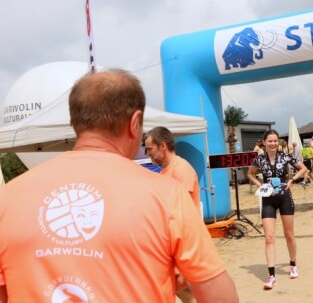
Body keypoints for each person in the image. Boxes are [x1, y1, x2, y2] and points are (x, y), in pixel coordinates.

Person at [0, 70, 238, 302]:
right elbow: (218, 295)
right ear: (135, 123)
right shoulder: (166, 196)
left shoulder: (8, 197)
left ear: (75, 121)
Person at [143, 126, 201, 303]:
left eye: (149, 149)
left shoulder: (181, 169)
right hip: (171, 243)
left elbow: (180, 210)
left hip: (184, 243)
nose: (147, 154)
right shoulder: (164, 172)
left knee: (186, 290)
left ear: (162, 146)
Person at [247, 129, 307, 290]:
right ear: (264, 142)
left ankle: (293, 264)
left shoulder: (285, 156)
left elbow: (303, 168)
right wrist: (260, 185)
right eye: (270, 141)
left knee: (289, 235)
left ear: (278, 142)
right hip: (268, 199)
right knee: (269, 238)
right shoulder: (259, 159)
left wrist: (292, 180)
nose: (273, 144)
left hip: (285, 197)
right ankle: (271, 275)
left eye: (275, 141)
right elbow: (250, 174)